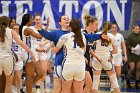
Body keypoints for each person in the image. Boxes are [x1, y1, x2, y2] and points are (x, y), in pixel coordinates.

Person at [0, 16, 35, 93]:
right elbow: (21, 43)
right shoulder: (11, 31)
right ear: (8, 23)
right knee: (9, 84)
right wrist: (30, 52)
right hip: (7, 59)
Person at [53, 18, 86, 93]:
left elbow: (55, 51)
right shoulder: (83, 37)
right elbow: (84, 51)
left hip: (69, 65)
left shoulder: (65, 37)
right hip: (80, 66)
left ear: (70, 27)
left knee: (66, 91)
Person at [91, 21, 120, 93]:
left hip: (96, 58)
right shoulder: (112, 36)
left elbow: (90, 48)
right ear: (110, 28)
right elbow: (116, 51)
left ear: (102, 26)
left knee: (95, 82)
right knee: (114, 81)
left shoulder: (97, 34)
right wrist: (109, 53)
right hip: (107, 59)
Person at [19, 14, 44, 93]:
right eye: (32, 19)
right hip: (27, 53)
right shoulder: (27, 29)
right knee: (30, 76)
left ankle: (26, 87)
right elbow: (39, 36)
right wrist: (41, 29)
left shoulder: (27, 28)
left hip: (30, 52)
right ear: (28, 20)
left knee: (40, 73)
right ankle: (28, 90)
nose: (33, 21)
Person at [82, 14, 101, 93]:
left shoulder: (90, 35)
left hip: (88, 60)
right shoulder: (83, 33)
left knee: (89, 84)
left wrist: (94, 57)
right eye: (96, 24)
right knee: (85, 84)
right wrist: (83, 57)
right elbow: (79, 49)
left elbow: (89, 50)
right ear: (90, 24)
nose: (97, 26)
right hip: (82, 60)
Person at [110, 22, 127, 91]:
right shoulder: (109, 35)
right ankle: (112, 87)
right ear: (111, 28)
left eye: (115, 28)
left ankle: (114, 85)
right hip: (111, 55)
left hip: (119, 55)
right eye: (113, 27)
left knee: (118, 73)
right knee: (112, 72)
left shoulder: (120, 36)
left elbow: (123, 46)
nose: (114, 29)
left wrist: (125, 55)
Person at [126, 25, 140, 89]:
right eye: (136, 29)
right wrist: (132, 48)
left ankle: (137, 82)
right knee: (132, 68)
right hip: (131, 54)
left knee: (138, 68)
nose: (138, 30)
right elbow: (127, 45)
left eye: (138, 29)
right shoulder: (130, 36)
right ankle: (128, 79)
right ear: (133, 29)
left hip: (138, 54)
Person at [12, 24, 24, 93]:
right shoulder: (9, 37)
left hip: (18, 60)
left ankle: (19, 90)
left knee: (18, 76)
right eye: (14, 28)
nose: (16, 30)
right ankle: (13, 90)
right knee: (12, 77)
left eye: (17, 29)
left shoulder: (20, 38)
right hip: (10, 60)